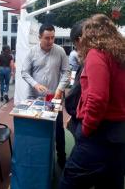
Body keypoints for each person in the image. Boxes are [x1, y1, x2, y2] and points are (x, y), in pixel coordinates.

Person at [59, 14, 125, 189]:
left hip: (97, 134)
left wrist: (86, 128)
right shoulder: (119, 56)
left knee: (69, 182)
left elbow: (97, 98)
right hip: (118, 135)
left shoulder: (97, 55)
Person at [21, 23, 70, 168]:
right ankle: (37, 158)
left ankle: (61, 158)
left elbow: (66, 72)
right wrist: (35, 84)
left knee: (58, 129)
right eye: (47, 38)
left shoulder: (60, 51)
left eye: (53, 38)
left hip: (54, 98)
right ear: (39, 38)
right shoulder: (32, 52)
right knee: (37, 128)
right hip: (35, 98)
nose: (50, 41)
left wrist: (60, 89)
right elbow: (24, 72)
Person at [65, 20, 84, 138]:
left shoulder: (94, 59)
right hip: (78, 117)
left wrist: (86, 127)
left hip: (83, 121)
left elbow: (96, 99)